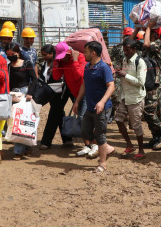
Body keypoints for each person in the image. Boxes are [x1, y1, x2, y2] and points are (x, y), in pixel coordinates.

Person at [73, 41, 115, 172]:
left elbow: (111, 86)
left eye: (85, 51)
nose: (83, 54)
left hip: (102, 108)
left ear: (93, 53)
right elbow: (84, 85)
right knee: (85, 132)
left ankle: (102, 163)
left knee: (100, 135)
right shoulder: (87, 67)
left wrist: (102, 102)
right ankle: (107, 148)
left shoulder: (104, 68)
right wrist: (77, 101)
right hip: (90, 107)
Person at [52, 42, 93, 157]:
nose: (62, 59)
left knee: (82, 119)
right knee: (82, 119)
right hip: (76, 93)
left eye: (63, 56)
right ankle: (88, 145)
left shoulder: (80, 57)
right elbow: (56, 76)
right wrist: (56, 63)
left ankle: (93, 145)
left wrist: (74, 61)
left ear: (69, 53)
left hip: (86, 92)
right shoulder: (60, 61)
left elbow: (79, 75)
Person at [114, 38, 147, 160]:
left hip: (136, 98)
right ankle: (129, 145)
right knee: (118, 119)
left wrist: (125, 75)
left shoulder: (140, 62)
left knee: (136, 125)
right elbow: (124, 76)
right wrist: (118, 74)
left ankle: (141, 150)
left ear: (134, 49)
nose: (125, 52)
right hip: (124, 96)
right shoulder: (125, 60)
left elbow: (141, 82)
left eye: (127, 50)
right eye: (124, 50)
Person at [5, 42, 38, 160]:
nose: (10, 56)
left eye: (12, 54)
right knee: (15, 122)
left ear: (18, 53)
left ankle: (19, 151)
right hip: (13, 96)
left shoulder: (27, 63)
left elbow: (34, 80)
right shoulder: (9, 66)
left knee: (22, 121)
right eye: (8, 54)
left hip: (24, 96)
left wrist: (30, 93)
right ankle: (22, 148)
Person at [38, 44, 72, 149]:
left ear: (52, 54)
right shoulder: (44, 65)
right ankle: (67, 140)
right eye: (42, 55)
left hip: (60, 92)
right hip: (49, 93)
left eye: (45, 55)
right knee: (59, 114)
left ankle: (46, 141)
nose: (44, 57)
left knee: (53, 114)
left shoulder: (58, 63)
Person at [110, 27, 134, 117]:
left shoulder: (135, 48)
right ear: (124, 37)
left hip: (130, 73)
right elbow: (110, 58)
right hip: (118, 74)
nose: (128, 38)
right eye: (127, 36)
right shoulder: (117, 47)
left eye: (130, 36)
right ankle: (113, 111)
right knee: (115, 94)